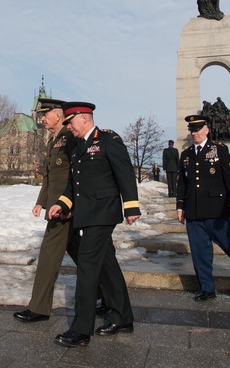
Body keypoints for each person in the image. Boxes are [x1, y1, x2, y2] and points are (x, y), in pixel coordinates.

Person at [48, 102, 140, 348]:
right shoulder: (78, 147)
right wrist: (63, 204)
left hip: (103, 213)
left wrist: (131, 205)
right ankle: (123, 318)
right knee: (107, 265)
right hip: (87, 215)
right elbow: (73, 184)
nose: (68, 127)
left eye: (70, 122)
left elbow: (125, 173)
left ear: (84, 118)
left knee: (87, 266)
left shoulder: (108, 140)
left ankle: (80, 330)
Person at [14, 98, 82, 323]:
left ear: (58, 115)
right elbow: (49, 176)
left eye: (45, 115)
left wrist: (68, 203)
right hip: (55, 206)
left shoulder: (70, 137)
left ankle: (39, 308)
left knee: (48, 255)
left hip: (64, 208)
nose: (41, 118)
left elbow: (76, 175)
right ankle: (106, 294)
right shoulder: (53, 140)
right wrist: (40, 202)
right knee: (84, 256)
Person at [176, 115, 230, 301]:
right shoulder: (185, 155)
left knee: (229, 245)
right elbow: (182, 184)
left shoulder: (219, 150)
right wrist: (180, 207)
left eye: (197, 129)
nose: (194, 133)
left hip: (217, 210)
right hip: (194, 212)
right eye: (191, 130)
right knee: (200, 252)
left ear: (206, 129)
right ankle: (207, 289)